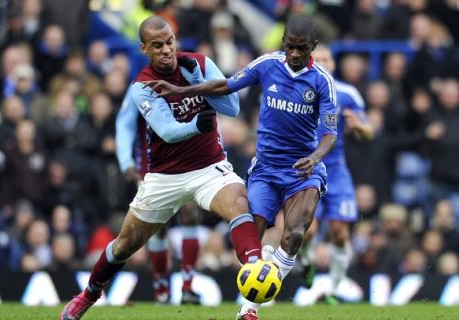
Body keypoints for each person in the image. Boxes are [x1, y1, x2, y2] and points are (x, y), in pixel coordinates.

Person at [60, 16, 263, 320]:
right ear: (144, 48)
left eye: (169, 41)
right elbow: (168, 131)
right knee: (125, 244)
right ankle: (88, 295)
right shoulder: (142, 86)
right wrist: (197, 122)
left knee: (238, 203)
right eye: (158, 45)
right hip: (165, 176)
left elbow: (231, 108)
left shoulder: (199, 64)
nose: (167, 50)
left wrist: (197, 84)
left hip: (209, 167)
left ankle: (253, 288)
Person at [144, 15, 338, 320]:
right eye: (290, 47)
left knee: (295, 232)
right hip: (266, 170)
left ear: (312, 47)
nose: (295, 54)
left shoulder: (322, 82)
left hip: (303, 170)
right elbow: (227, 84)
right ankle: (266, 272)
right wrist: (182, 91)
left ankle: (250, 307)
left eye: (302, 49)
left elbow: (330, 133)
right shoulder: (266, 65)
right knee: (250, 238)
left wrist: (315, 158)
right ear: (283, 44)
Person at [115, 83, 202, 304]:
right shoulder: (142, 85)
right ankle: (162, 289)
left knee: (191, 214)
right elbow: (124, 123)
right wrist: (126, 162)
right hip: (151, 165)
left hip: (189, 162)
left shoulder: (192, 80)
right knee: (157, 227)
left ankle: (187, 287)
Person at [300, 44, 374, 303]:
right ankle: (307, 260)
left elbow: (368, 132)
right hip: (308, 168)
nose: (323, 63)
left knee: (341, 232)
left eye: (327, 59)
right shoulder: (297, 92)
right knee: (307, 231)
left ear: (333, 63)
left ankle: (335, 286)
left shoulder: (347, 93)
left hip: (336, 169)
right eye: (317, 59)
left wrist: (359, 127)